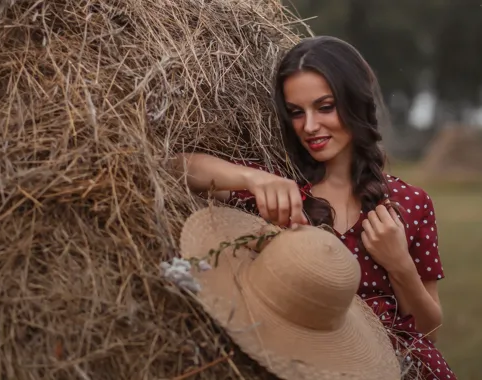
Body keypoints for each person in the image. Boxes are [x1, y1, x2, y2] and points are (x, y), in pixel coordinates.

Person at [172, 35, 457, 380]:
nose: (309, 126)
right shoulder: (283, 190)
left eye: (325, 107)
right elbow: (176, 167)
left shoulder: (410, 202)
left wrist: (400, 265)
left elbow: (430, 330)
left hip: (401, 369)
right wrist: (251, 178)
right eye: (296, 112)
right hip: (304, 364)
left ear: (355, 103)